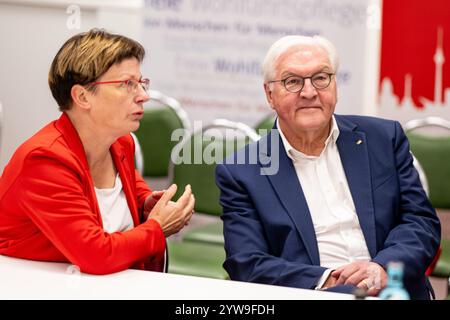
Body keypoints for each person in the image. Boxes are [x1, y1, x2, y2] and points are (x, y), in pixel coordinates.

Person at [215, 35, 441, 299]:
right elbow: (247, 263)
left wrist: (381, 268)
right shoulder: (242, 171)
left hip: (392, 290)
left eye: (321, 78)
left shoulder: (383, 138)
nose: (309, 92)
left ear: (335, 84)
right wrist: (328, 281)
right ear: (270, 94)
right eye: (292, 81)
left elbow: (420, 222)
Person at [0, 29, 195, 275]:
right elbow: (97, 254)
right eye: (127, 84)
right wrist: (157, 227)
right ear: (82, 96)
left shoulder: (121, 142)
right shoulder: (44, 160)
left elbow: (131, 191)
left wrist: (148, 203)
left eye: (141, 83)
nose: (143, 96)